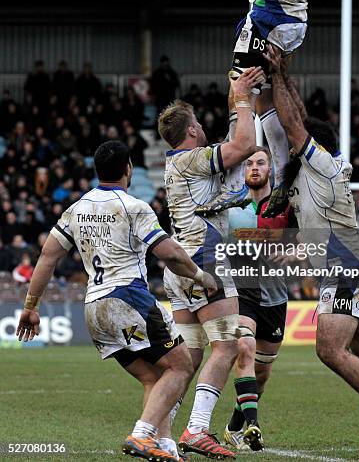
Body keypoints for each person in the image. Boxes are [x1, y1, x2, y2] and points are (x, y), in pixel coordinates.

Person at [16, 140, 218, 462]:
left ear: (97, 170)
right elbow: (170, 253)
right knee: (182, 366)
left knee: (154, 377)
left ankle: (166, 448)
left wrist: (30, 307)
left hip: (94, 308)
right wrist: (203, 277)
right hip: (127, 298)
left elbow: (47, 256)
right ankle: (141, 435)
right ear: (128, 169)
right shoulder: (134, 206)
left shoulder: (77, 208)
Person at [263, 45, 359, 459]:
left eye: (297, 146)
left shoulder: (322, 165)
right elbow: (297, 116)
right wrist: (285, 74)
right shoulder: (322, 171)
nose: (291, 150)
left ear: (311, 147)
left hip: (345, 270)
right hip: (353, 266)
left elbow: (294, 125)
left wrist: (275, 77)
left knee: (329, 350)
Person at [203, 0, 321, 217]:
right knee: (265, 101)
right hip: (292, 19)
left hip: (268, 20)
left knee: (238, 93)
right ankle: (285, 179)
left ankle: (237, 183)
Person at [158, 67, 264, 459]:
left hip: (180, 266)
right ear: (191, 131)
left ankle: (156, 431)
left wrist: (241, 97)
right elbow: (245, 145)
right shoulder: (192, 160)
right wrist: (241, 97)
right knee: (227, 346)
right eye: (199, 123)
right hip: (204, 261)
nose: (203, 128)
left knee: (189, 358)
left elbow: (236, 141)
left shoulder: (182, 164)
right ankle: (197, 429)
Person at [224, 147, 295, 451]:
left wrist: (294, 252)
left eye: (261, 163)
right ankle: (254, 425)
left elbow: (308, 241)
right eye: (249, 163)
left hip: (276, 299)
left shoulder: (286, 207)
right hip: (243, 294)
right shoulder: (231, 209)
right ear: (243, 171)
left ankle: (234, 427)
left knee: (262, 373)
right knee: (245, 347)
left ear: (270, 170)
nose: (254, 168)